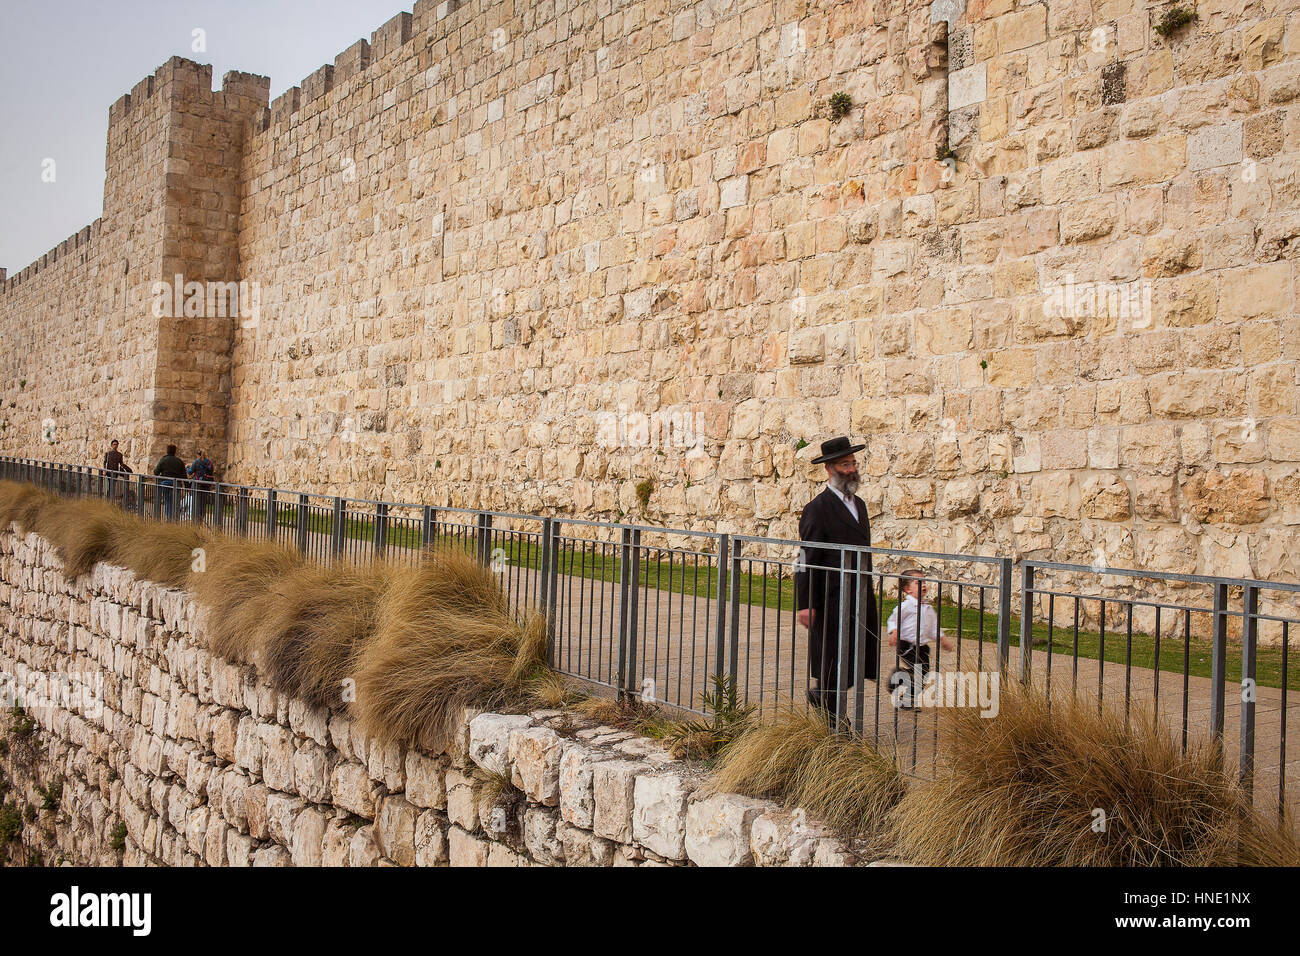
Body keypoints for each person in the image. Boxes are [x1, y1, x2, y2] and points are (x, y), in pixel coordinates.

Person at [794, 436, 880, 722]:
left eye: (853, 463)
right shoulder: (817, 509)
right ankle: (832, 722)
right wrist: (805, 603)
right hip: (831, 598)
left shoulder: (861, 506)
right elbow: (806, 559)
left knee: (856, 656)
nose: (852, 469)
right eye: (845, 464)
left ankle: (823, 699)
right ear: (829, 469)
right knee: (832, 660)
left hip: (859, 593)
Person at [886, 568, 954, 709]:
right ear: (907, 589)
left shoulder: (927, 607)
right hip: (907, 645)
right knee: (918, 672)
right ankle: (897, 676)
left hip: (922, 647)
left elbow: (933, 627)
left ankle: (906, 700)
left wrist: (942, 639)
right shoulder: (906, 606)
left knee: (923, 676)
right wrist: (894, 631)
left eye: (924, 582)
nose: (923, 585)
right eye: (918, 583)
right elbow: (893, 620)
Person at [153, 445, 188, 519]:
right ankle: (175, 517)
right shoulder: (179, 461)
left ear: (167, 451)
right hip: (176, 483)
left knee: (167, 501)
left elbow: (156, 472)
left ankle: (169, 517)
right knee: (176, 501)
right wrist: (187, 487)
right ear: (175, 451)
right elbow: (184, 475)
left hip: (165, 482)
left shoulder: (163, 460)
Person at [187, 449, 215, 520]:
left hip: (197, 485)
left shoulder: (196, 462)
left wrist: (187, 468)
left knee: (196, 503)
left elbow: (190, 472)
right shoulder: (209, 462)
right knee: (203, 503)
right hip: (206, 485)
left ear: (197, 454)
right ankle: (201, 519)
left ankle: (195, 519)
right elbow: (211, 472)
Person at [102, 440, 132, 505]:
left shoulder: (119, 455)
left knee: (113, 487)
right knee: (109, 486)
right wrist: (104, 470)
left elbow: (121, 464)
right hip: (109, 473)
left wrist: (128, 470)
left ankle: (111, 501)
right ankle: (108, 500)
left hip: (115, 473)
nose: (115, 446)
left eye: (116, 444)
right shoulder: (108, 454)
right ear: (111, 445)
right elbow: (105, 462)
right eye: (114, 444)